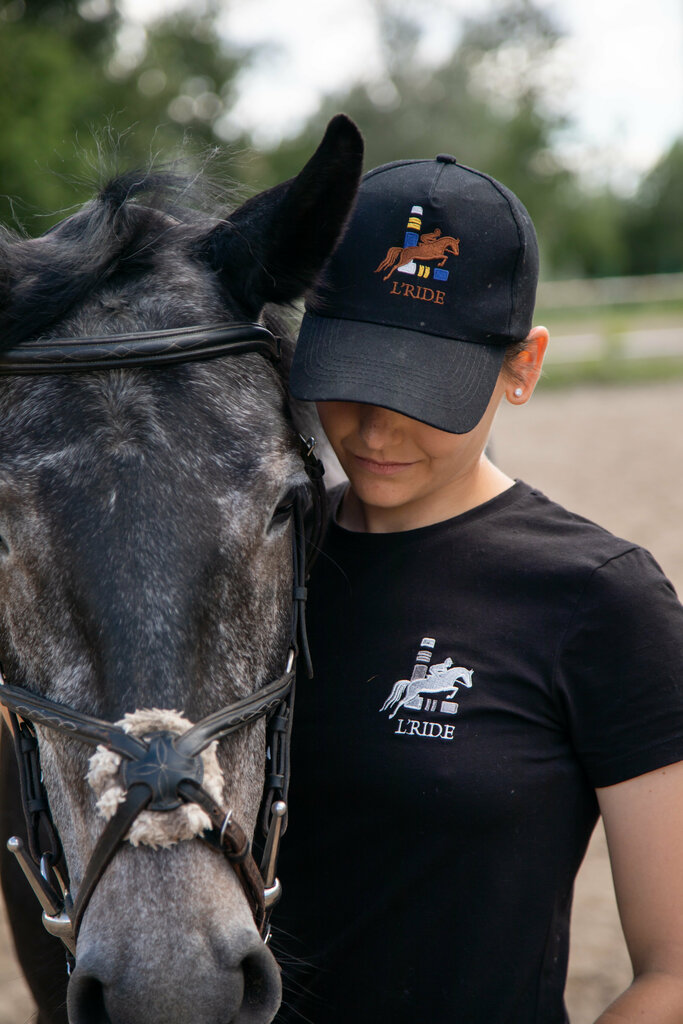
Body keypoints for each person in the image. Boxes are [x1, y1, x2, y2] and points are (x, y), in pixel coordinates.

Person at [276, 153, 683, 1023]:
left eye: (424, 388)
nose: (377, 427)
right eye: (351, 374)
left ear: (522, 367)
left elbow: (674, 971)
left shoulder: (600, 601)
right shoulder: (253, 564)